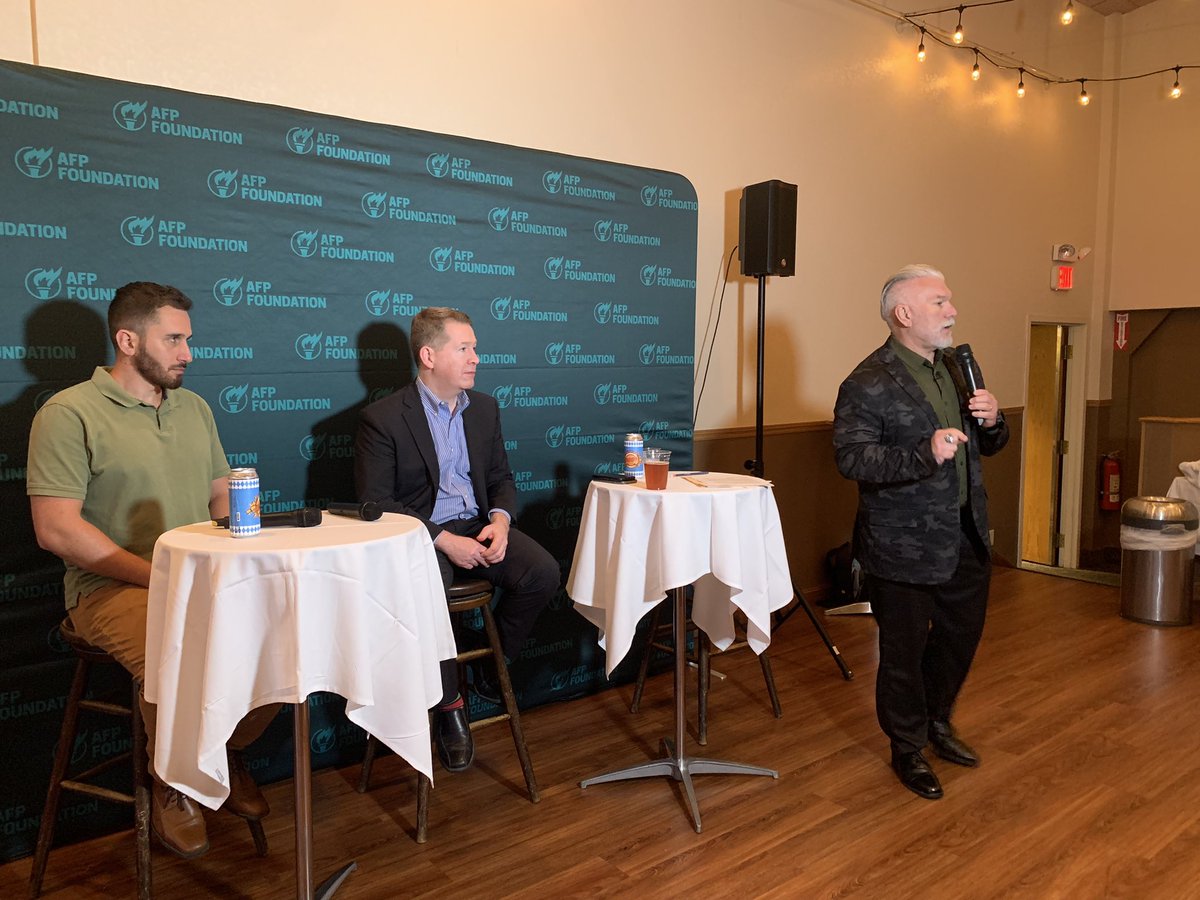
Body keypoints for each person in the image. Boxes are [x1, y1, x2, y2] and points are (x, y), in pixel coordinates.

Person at [27, 282, 280, 858]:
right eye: (173, 339)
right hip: (109, 589)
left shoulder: (194, 408)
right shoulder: (68, 413)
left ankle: (220, 751)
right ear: (127, 339)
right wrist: (158, 576)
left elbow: (221, 494)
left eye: (188, 339)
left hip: (201, 577)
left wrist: (234, 552)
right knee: (179, 642)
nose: (187, 352)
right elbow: (56, 529)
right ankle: (175, 783)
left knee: (282, 627)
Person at [355, 307, 558, 773]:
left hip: (478, 525)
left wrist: (502, 521)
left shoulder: (484, 408)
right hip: (419, 536)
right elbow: (376, 503)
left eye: (475, 347)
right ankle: (450, 707)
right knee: (432, 597)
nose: (476, 358)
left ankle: (490, 669)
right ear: (428, 355)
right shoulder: (381, 419)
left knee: (541, 572)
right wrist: (443, 540)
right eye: (463, 348)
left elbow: (501, 477)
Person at [833, 264, 1009, 800]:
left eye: (950, 301)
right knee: (903, 654)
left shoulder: (957, 369)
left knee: (959, 640)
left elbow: (991, 446)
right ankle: (907, 747)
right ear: (903, 314)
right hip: (902, 544)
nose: (952, 311)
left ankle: (937, 722)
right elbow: (851, 458)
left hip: (966, 535)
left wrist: (995, 420)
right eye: (940, 303)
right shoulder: (866, 381)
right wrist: (922, 452)